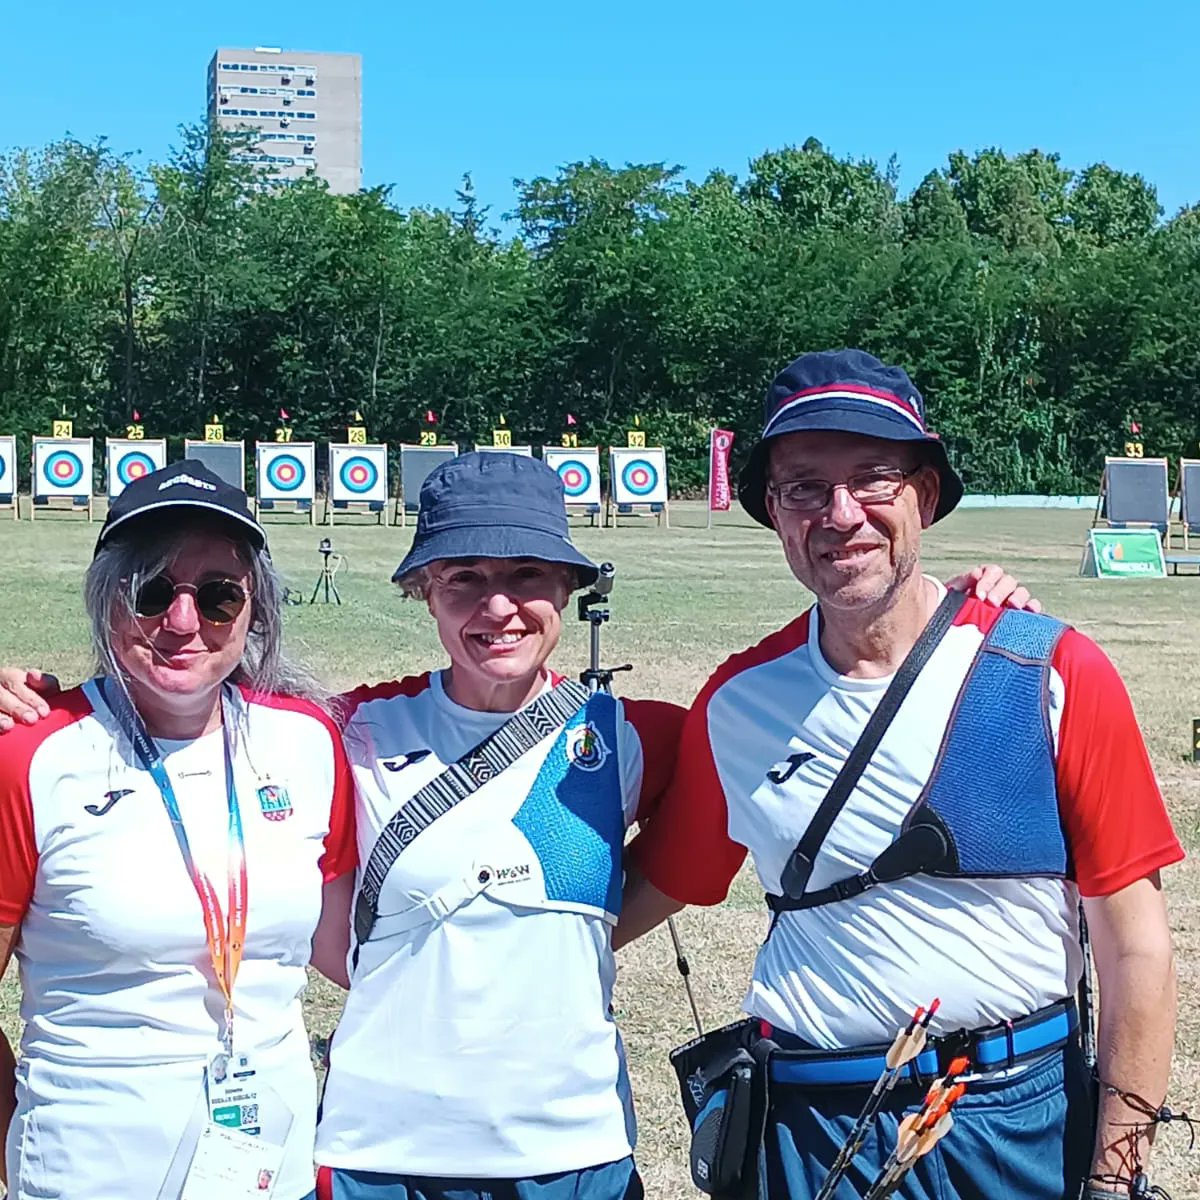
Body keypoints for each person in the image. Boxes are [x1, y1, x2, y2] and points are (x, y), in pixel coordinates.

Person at [0, 451, 1040, 1200]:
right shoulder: (340, 735)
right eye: (466, 579)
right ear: (422, 591)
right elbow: (190, 733)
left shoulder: (649, 739)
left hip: (571, 1153)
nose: (498, 607)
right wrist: (50, 708)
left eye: (529, 578)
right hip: (376, 1154)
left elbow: (773, 701)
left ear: (569, 593)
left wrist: (951, 605)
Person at [618, 350, 1183, 1200]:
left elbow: (1136, 948)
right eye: (804, 486)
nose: (841, 514)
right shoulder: (736, 703)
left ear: (925, 493)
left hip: (1013, 1118)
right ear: (774, 511)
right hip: (808, 1128)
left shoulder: (1052, 671)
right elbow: (664, 881)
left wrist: (1114, 1175)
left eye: (875, 477)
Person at [0, 461, 356, 1200]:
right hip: (87, 1177)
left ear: (255, 610)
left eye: (220, 595)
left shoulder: (310, 742)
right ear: (107, 603)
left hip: (271, 1176)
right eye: (151, 590)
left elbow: (348, 953)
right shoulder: (30, 756)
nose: (184, 622)